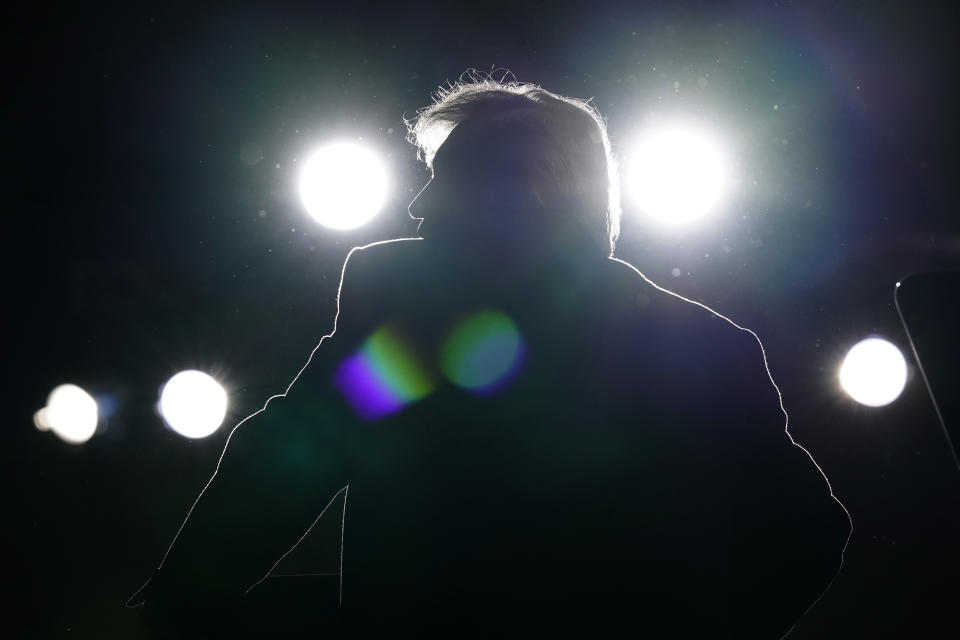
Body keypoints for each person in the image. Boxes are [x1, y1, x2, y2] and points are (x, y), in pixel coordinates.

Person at [128, 70, 850, 638]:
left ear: (526, 194)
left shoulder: (685, 350)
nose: (418, 209)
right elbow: (290, 461)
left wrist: (171, 609)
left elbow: (290, 462)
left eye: (446, 183)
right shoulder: (691, 345)